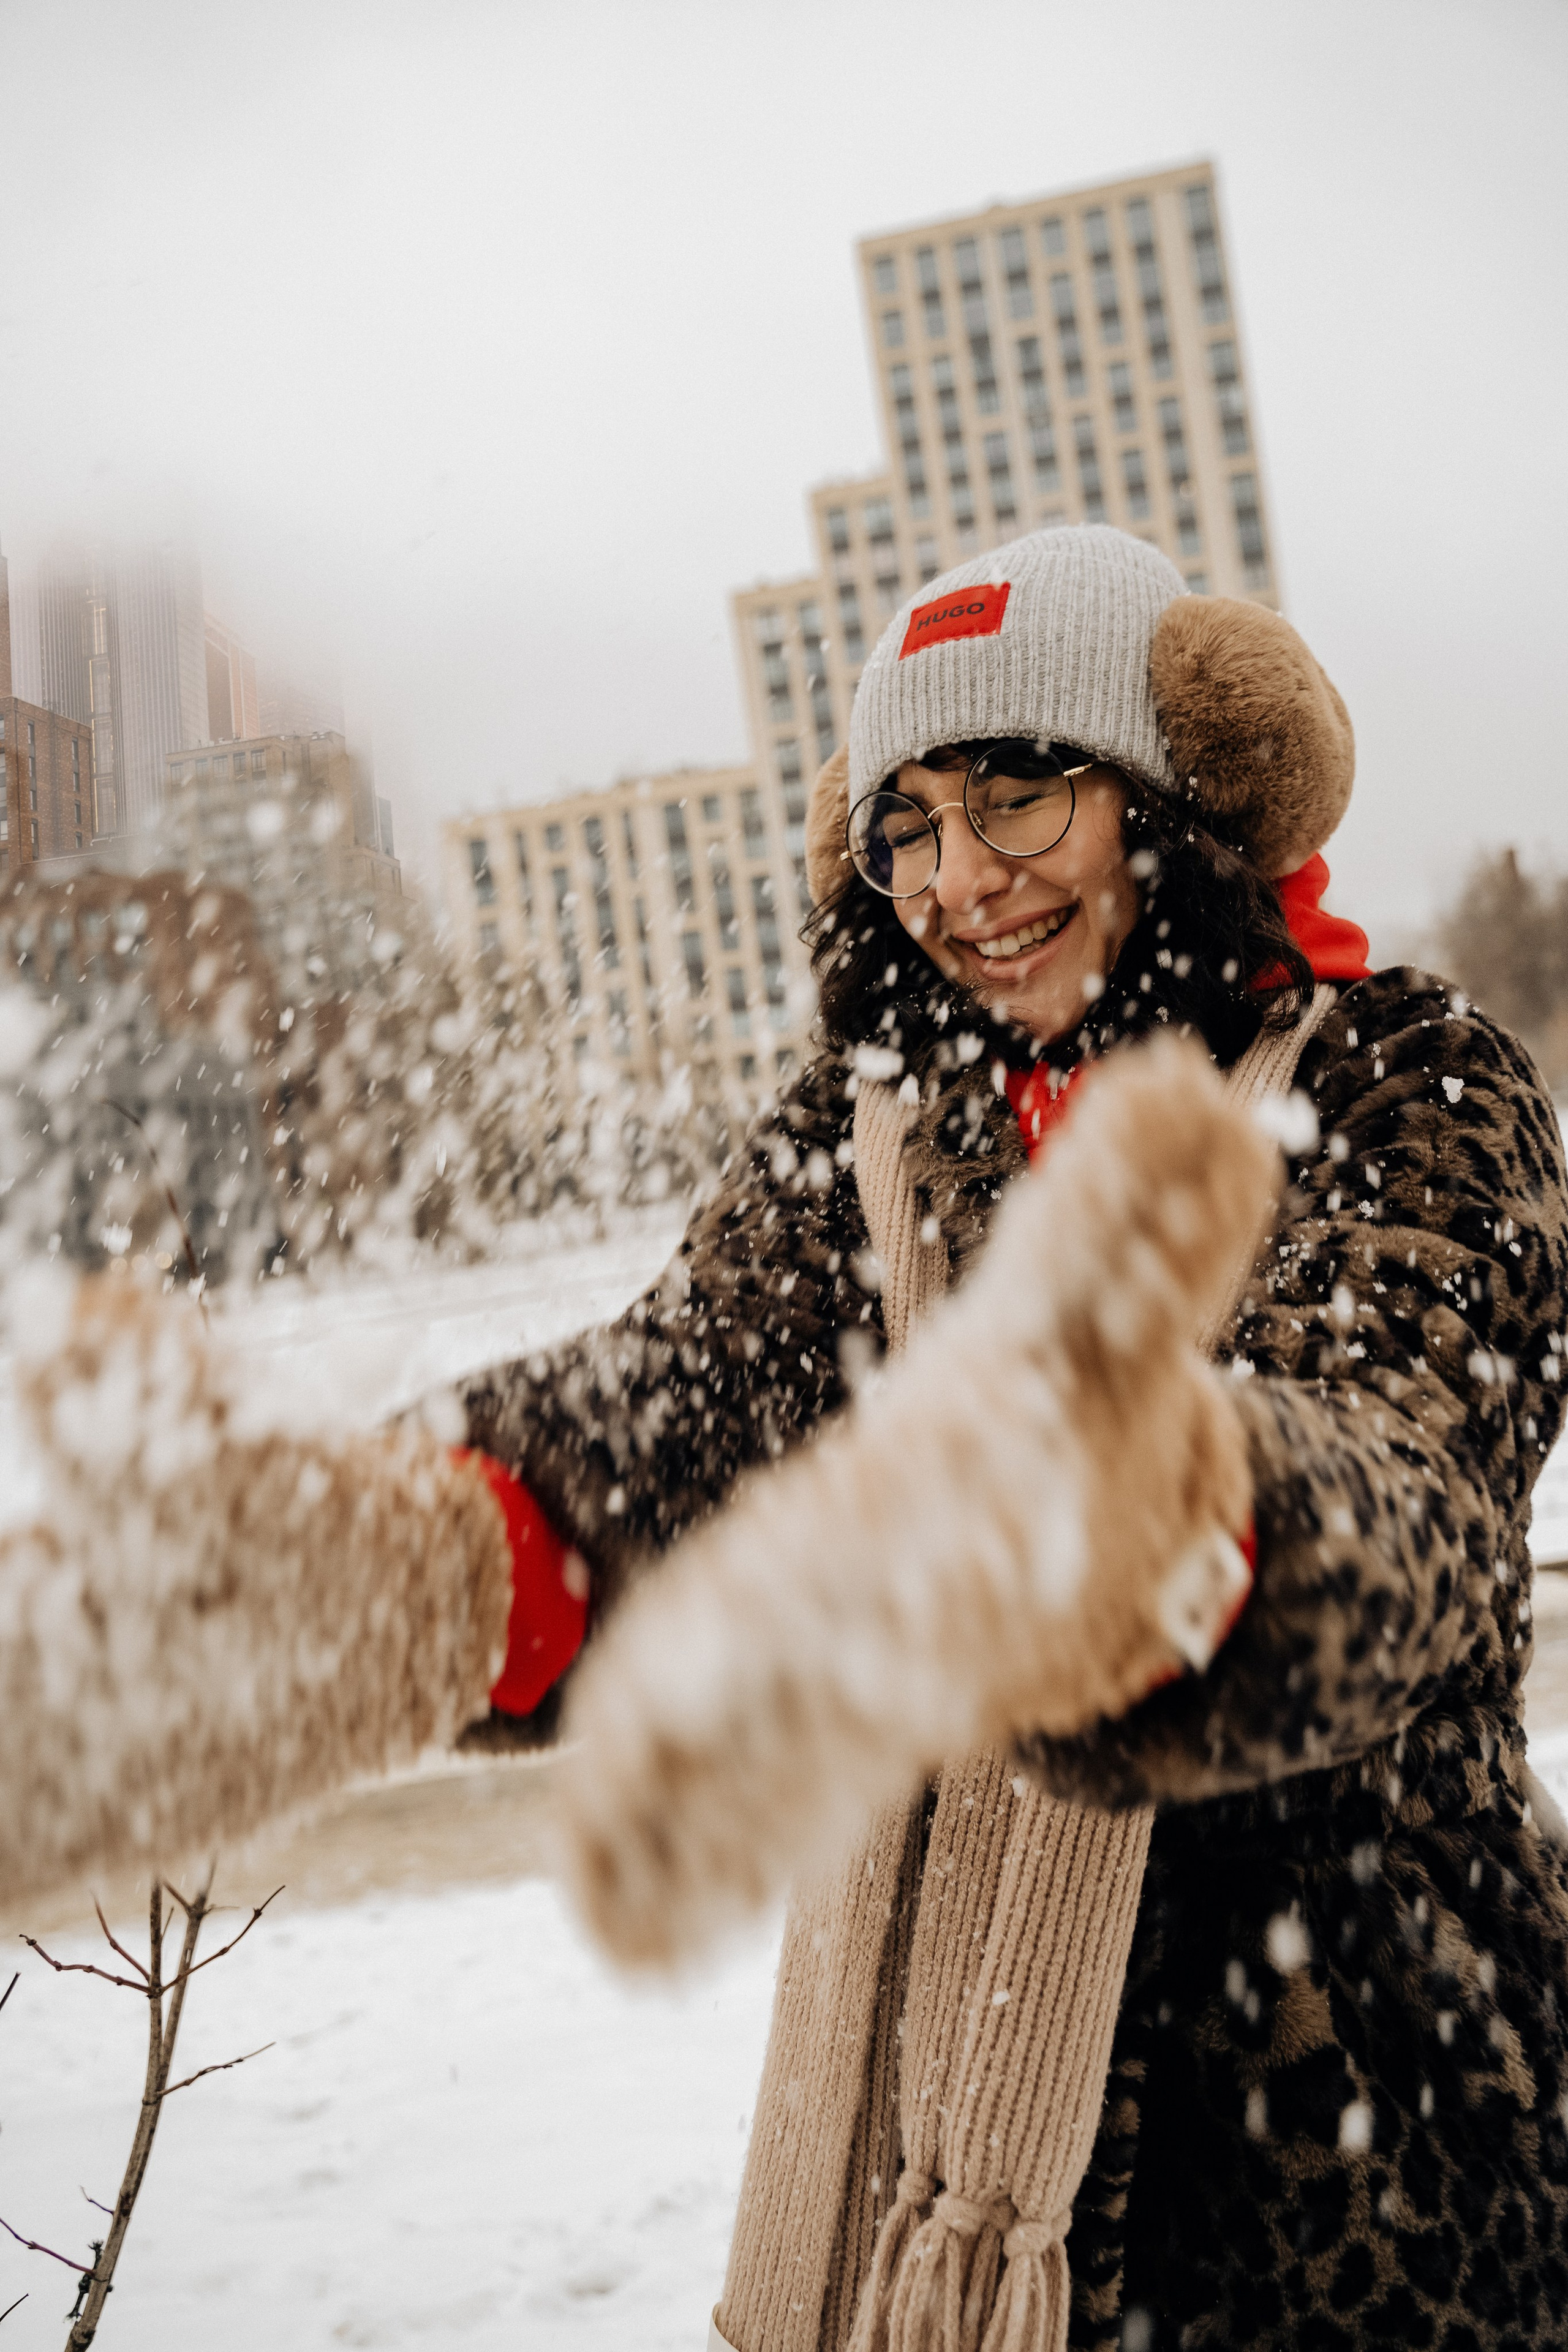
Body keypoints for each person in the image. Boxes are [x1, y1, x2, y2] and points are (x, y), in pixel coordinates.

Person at [8, 526, 1567, 2352]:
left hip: (1353, 2184)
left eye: (1017, 796)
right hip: (912, 2177)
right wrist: (402, 1568)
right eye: (904, 824)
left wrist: (1162, 1522)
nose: (957, 877)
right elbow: (678, 1414)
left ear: (1181, 784)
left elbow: (1408, 1495)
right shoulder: (876, 1135)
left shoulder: (1406, 1076)